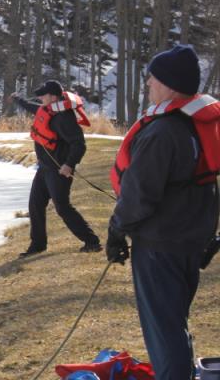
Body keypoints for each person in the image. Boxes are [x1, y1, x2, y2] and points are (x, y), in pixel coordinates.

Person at [107, 44, 220, 380]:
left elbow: (139, 195)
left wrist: (115, 232)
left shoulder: (163, 132)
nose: (148, 85)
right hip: (190, 241)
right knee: (173, 323)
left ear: (170, 84)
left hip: (160, 246)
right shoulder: (194, 125)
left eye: (152, 79)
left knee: (164, 330)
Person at [9, 80, 101, 257]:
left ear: (53, 96)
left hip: (59, 170)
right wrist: (17, 99)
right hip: (44, 168)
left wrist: (69, 165)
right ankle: (37, 245)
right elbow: (31, 106)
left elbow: (79, 144)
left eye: (43, 95)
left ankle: (92, 242)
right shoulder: (49, 109)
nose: (40, 97)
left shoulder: (64, 118)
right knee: (35, 204)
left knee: (62, 207)